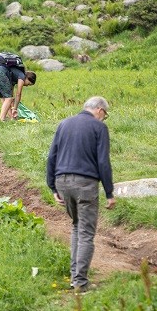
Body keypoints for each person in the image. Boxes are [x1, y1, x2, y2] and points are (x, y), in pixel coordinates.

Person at [46, 96, 116, 293]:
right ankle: (80, 283)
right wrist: (109, 192)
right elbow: (103, 161)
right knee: (85, 232)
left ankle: (75, 277)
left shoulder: (64, 123)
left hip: (63, 182)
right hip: (85, 183)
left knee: (77, 227)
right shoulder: (99, 128)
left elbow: (51, 156)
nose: (104, 118)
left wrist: (53, 187)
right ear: (100, 110)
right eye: (105, 115)